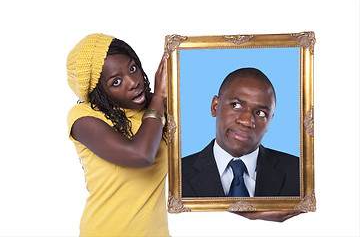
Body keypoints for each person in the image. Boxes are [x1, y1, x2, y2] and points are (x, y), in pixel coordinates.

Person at [67, 33, 169, 236]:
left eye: (133, 68)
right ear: (98, 92)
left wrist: (243, 203)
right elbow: (141, 154)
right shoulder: (83, 118)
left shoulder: (157, 113)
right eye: (116, 82)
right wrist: (159, 96)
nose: (133, 82)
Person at [182, 68, 300, 199]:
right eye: (236, 105)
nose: (246, 121)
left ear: (270, 121)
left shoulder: (300, 173)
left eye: (260, 113)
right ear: (215, 107)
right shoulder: (177, 173)